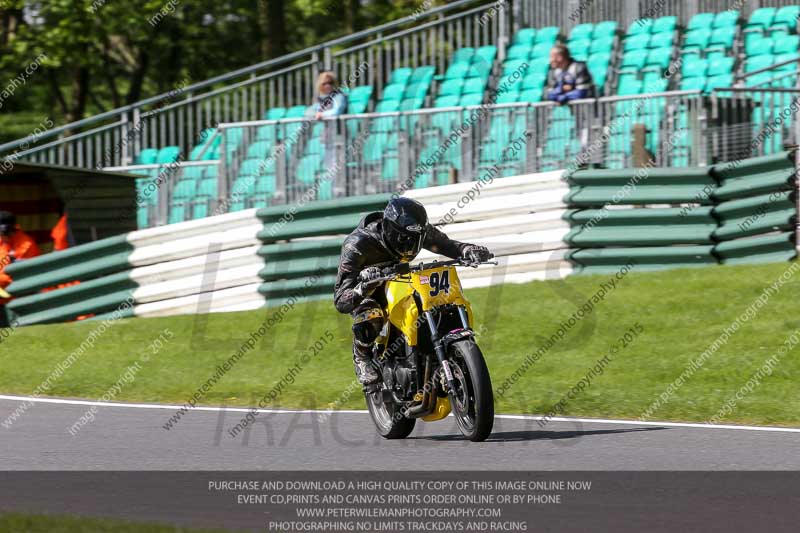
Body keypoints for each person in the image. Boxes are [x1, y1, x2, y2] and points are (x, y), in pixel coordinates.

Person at [333, 197, 492, 385]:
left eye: (415, 240)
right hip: (367, 291)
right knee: (371, 314)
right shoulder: (357, 244)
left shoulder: (418, 230)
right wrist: (364, 286)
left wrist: (467, 250)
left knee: (427, 303)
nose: (410, 244)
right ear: (390, 229)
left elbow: (446, 245)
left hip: (401, 279)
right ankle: (362, 357)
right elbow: (341, 300)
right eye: (404, 239)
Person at [0, 211, 41, 316]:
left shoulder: (25, 245)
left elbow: (14, 277)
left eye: (3, 232)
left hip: (18, 296)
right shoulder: (3, 242)